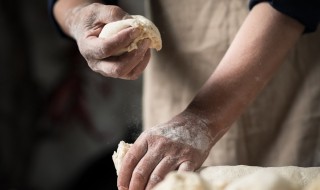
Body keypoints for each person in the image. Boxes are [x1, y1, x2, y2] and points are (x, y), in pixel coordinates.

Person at [49, 0, 320, 190]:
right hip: (176, 90)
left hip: (286, 74)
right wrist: (79, 15)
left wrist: (202, 120)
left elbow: (292, 4)